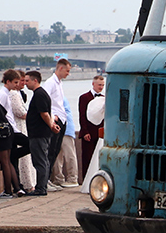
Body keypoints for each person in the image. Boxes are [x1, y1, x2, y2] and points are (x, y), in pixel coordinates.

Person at [0, 69, 34, 193]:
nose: (17, 85)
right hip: (10, 129)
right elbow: (0, 113)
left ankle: (17, 188)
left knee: (16, 155)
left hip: (13, 128)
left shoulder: (7, 93)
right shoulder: (3, 94)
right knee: (30, 145)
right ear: (8, 81)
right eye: (15, 82)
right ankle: (15, 188)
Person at [23, 70, 59, 196]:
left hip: (39, 133)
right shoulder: (40, 94)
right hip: (40, 133)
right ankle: (42, 186)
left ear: (35, 80)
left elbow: (44, 113)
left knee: (40, 161)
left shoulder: (39, 94)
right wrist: (52, 125)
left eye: (27, 80)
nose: (25, 83)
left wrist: (51, 126)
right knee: (42, 160)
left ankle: (41, 188)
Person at [43, 59, 77, 189]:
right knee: (51, 151)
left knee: (55, 151)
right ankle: (45, 181)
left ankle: (48, 180)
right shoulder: (50, 83)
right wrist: (52, 118)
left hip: (61, 120)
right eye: (67, 71)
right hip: (55, 120)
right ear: (60, 68)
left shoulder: (59, 83)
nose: (68, 73)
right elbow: (45, 101)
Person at [77, 75, 105, 181]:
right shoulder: (84, 97)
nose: (101, 87)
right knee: (87, 158)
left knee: (98, 158)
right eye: (99, 85)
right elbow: (82, 115)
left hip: (99, 132)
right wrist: (84, 132)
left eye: (102, 85)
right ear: (93, 84)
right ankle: (86, 181)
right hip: (88, 132)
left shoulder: (103, 98)